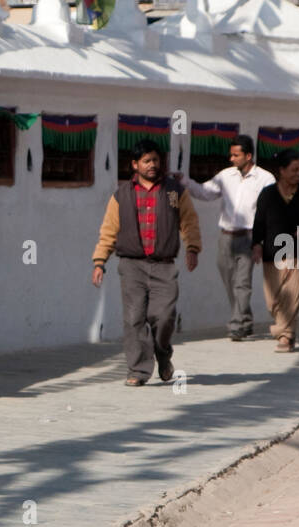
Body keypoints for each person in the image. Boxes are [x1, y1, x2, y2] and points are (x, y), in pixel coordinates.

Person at [92, 139, 201, 386]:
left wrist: (192, 248)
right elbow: (109, 230)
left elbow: (188, 221)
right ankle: (139, 370)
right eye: (146, 161)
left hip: (164, 264)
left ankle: (163, 354)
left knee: (163, 317)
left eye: (155, 160)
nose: (152, 165)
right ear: (134, 165)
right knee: (134, 318)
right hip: (132, 265)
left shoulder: (173, 192)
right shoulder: (122, 195)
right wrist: (100, 261)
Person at [176, 135, 274, 341]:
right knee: (230, 281)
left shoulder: (266, 179)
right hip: (226, 237)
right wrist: (184, 182)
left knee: (242, 283)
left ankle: (236, 325)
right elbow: (205, 193)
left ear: (248, 156)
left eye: (236, 155)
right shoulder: (225, 176)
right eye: (231, 155)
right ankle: (245, 320)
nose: (231, 159)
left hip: (249, 237)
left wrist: (260, 242)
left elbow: (268, 213)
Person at [251, 149, 299, 352]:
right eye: (293, 170)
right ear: (281, 170)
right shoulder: (268, 194)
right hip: (272, 253)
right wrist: (256, 244)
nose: (297, 174)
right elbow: (259, 222)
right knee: (273, 301)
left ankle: (285, 336)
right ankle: (284, 329)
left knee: (292, 296)